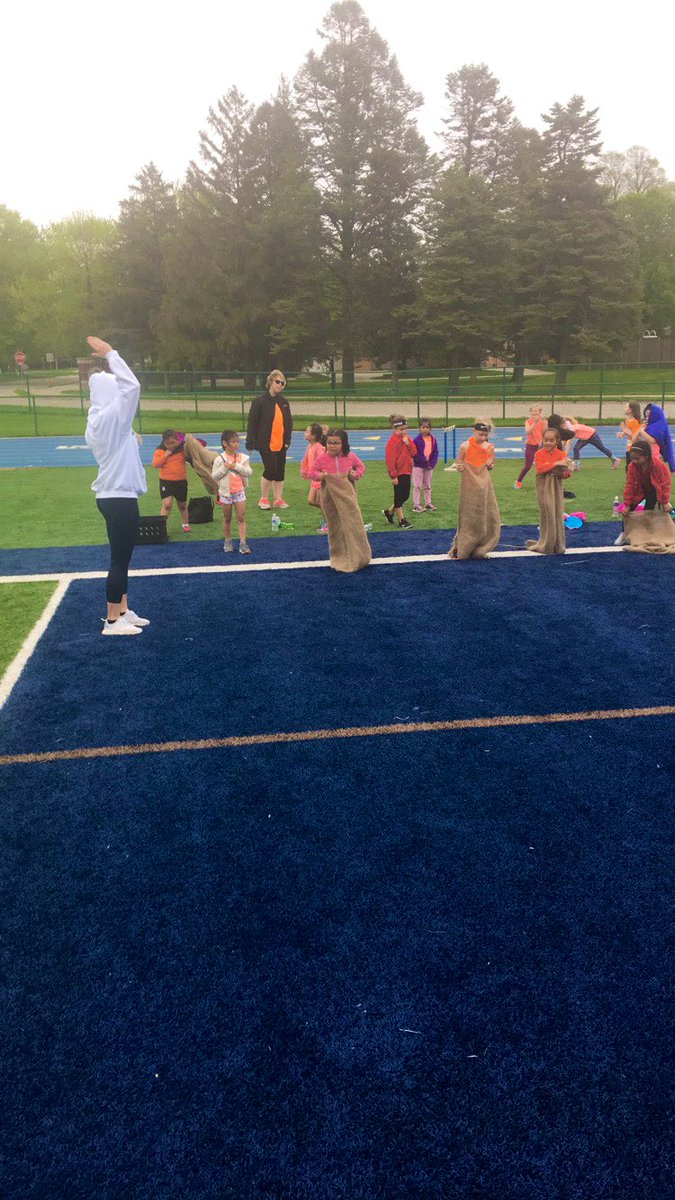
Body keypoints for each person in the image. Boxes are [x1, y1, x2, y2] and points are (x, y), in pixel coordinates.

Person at [84, 335, 149, 637]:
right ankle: (112, 620)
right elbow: (132, 387)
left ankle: (122, 610)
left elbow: (119, 420)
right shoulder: (113, 416)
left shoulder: (98, 419)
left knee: (122, 558)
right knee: (119, 560)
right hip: (119, 498)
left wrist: (131, 432)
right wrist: (112, 353)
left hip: (111, 495)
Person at [311, 429, 370, 573]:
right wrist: (321, 475)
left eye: (336, 443)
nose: (332, 446)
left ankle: (359, 555)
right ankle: (339, 555)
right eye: (330, 443)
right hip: (330, 497)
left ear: (343, 444)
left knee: (353, 523)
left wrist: (355, 475)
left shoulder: (350, 456)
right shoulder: (322, 459)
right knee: (335, 525)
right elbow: (311, 472)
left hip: (348, 496)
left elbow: (361, 467)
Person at [449, 421, 501, 560]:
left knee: (484, 514)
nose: (483, 438)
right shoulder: (464, 446)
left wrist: (490, 464)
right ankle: (462, 547)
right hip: (469, 486)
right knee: (468, 517)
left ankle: (481, 545)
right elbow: (459, 463)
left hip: (484, 486)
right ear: (473, 431)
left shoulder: (489, 447)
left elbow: (490, 465)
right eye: (480, 434)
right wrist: (460, 467)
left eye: (485, 435)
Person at [246, 370, 292, 509]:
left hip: (281, 443)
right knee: (270, 469)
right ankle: (264, 499)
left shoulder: (284, 402)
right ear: (271, 382)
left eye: (282, 383)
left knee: (280, 471)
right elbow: (252, 422)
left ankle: (278, 499)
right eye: (277, 382)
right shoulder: (259, 401)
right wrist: (250, 440)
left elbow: (289, 423)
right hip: (265, 442)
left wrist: (287, 440)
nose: (280, 385)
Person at [525, 428, 572, 555]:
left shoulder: (562, 454)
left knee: (557, 512)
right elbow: (540, 469)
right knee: (547, 512)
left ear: (557, 441)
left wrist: (567, 470)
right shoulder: (539, 453)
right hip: (543, 485)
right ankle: (546, 542)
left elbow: (566, 474)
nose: (548, 443)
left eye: (551, 440)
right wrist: (556, 463)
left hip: (556, 486)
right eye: (546, 440)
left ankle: (558, 544)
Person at [212, 430, 253, 554]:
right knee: (227, 518)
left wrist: (236, 466)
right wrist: (225, 467)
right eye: (233, 442)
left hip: (239, 492)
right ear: (225, 443)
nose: (236, 444)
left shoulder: (243, 458)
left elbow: (249, 472)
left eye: (237, 442)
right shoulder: (220, 459)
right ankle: (228, 541)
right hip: (226, 494)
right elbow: (214, 476)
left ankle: (243, 543)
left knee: (241, 517)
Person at [152, 429, 191, 532]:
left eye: (173, 443)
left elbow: (202, 444)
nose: (171, 446)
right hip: (166, 481)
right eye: (168, 444)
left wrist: (190, 440)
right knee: (167, 504)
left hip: (180, 481)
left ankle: (185, 524)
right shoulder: (160, 450)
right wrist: (165, 455)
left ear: (177, 440)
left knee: (182, 505)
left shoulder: (182, 447)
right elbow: (156, 464)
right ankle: (162, 527)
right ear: (164, 443)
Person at [383, 415, 415, 529]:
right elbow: (390, 461)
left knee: (405, 495)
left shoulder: (407, 438)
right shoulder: (391, 442)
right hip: (398, 472)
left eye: (405, 429)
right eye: (401, 429)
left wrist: (408, 444)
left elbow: (414, 452)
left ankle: (390, 512)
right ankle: (402, 520)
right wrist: (393, 476)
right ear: (394, 428)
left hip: (407, 470)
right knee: (399, 495)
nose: (404, 432)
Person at [301, 423, 327, 532]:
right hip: (314, 478)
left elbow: (323, 462)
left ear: (313, 435)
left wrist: (321, 475)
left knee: (322, 502)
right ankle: (330, 515)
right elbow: (306, 461)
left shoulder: (318, 448)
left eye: (307, 432)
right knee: (311, 500)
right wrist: (305, 471)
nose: (305, 433)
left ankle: (329, 522)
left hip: (320, 479)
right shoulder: (310, 447)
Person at [514, 404, 546, 489]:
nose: (534, 412)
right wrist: (535, 423)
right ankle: (518, 482)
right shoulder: (528, 421)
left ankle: (544, 483)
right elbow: (528, 431)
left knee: (543, 465)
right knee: (528, 466)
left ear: (540, 412)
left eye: (536, 411)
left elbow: (544, 433)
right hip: (530, 446)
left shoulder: (543, 421)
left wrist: (546, 425)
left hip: (540, 447)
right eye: (532, 411)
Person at [412, 417, 439, 512]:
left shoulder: (433, 439)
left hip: (429, 467)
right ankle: (416, 505)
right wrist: (423, 460)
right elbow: (414, 454)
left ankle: (428, 503)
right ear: (419, 428)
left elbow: (435, 452)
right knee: (417, 486)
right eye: (423, 427)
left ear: (430, 428)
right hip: (418, 466)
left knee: (427, 485)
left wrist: (432, 463)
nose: (425, 429)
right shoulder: (416, 440)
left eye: (427, 427)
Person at [638, 403, 675, 471]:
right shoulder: (649, 426)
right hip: (646, 455)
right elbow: (640, 439)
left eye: (648, 415)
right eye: (646, 415)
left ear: (654, 415)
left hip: (653, 456)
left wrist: (641, 431)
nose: (646, 418)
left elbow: (652, 440)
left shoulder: (658, 425)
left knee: (653, 472)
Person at [617, 402, 642, 469]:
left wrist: (624, 430)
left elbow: (635, 436)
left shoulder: (636, 421)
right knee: (628, 467)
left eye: (626, 407)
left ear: (630, 410)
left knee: (631, 467)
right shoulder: (628, 419)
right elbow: (628, 430)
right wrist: (622, 433)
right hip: (629, 447)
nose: (624, 409)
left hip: (635, 447)